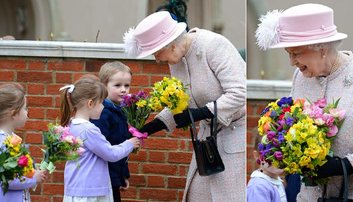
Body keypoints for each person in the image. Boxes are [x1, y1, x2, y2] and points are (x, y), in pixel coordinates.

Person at [123, 11, 246, 201]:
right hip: (207, 139)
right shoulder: (177, 58)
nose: (156, 59)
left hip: (235, 132)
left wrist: (201, 113)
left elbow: (240, 92)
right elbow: (181, 102)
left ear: (170, 45)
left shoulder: (213, 45)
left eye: (157, 52)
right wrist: (148, 128)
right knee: (195, 195)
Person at [256, 3, 353, 201]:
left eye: (295, 53)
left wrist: (344, 165)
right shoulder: (300, 76)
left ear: (322, 48)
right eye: (288, 53)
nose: (291, 62)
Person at [60, 75, 141, 202]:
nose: (103, 107)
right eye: (101, 103)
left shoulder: (71, 125)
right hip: (91, 192)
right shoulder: (89, 129)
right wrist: (129, 144)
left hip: (76, 188)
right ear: (90, 104)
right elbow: (110, 153)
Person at [91, 62, 133, 202]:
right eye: (117, 85)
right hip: (103, 179)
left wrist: (123, 176)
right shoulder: (102, 113)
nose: (123, 90)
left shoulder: (121, 110)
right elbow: (102, 149)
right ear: (104, 86)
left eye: (126, 85)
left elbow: (121, 147)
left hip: (114, 177)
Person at [0, 83, 47, 202]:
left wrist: (33, 172)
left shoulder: (13, 138)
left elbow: (18, 171)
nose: (27, 112)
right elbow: (7, 180)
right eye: (25, 108)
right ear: (14, 113)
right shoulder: (3, 142)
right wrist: (34, 179)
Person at [247, 136, 287, 202]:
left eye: (284, 151)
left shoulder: (275, 181)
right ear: (257, 156)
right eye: (271, 153)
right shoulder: (258, 187)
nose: (279, 157)